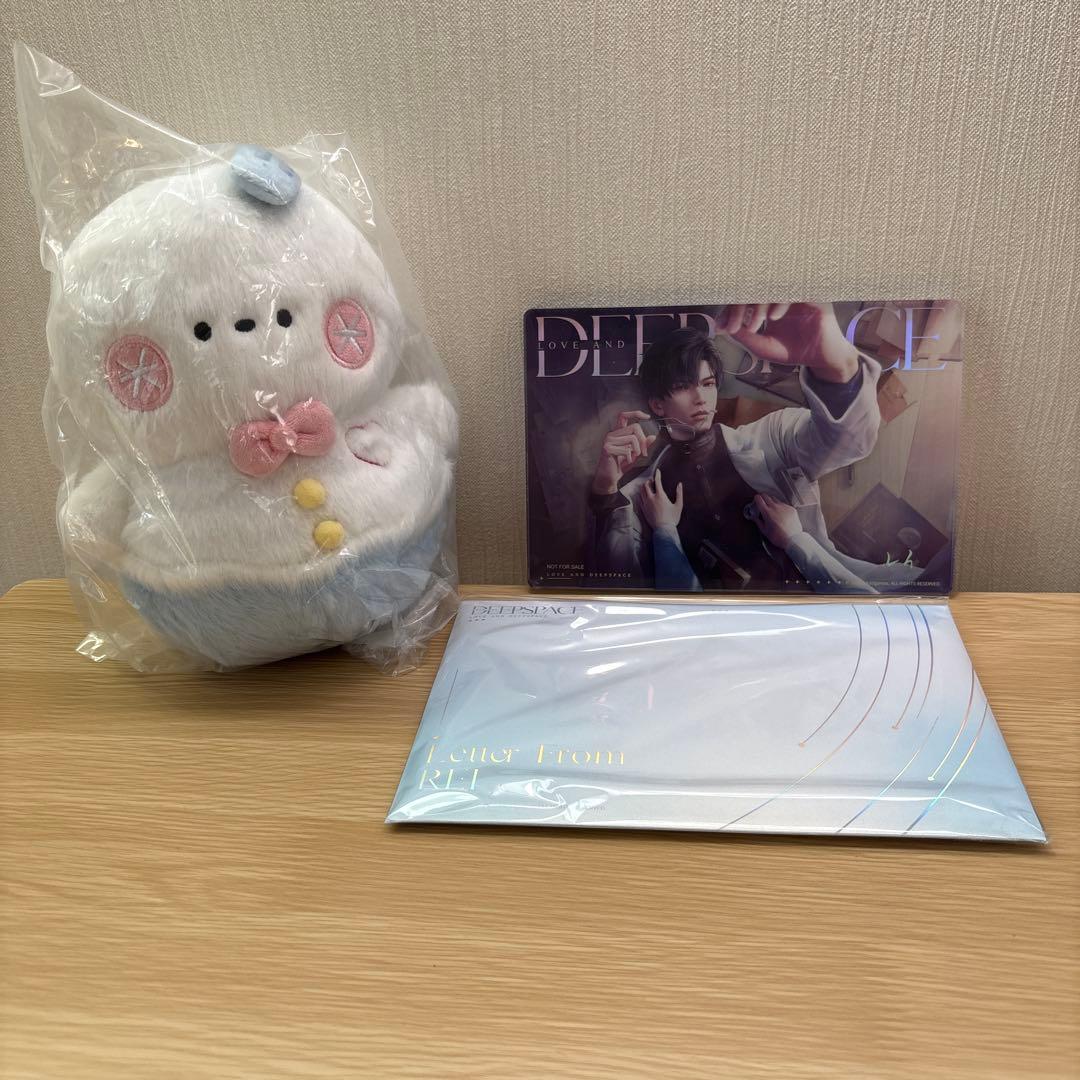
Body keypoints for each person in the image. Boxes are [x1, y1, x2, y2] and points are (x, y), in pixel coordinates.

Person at [587, 303, 885, 591]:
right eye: (682, 387)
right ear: (657, 405)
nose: (701, 398)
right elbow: (617, 583)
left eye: (707, 383)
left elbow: (849, 442)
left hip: (823, 606)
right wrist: (604, 489)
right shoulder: (641, 494)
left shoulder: (773, 435)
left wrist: (836, 366)